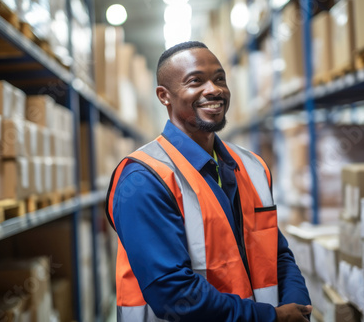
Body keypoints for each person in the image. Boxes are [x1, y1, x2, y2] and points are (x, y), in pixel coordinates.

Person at [105, 41, 312, 321]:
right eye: (196, 81)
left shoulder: (251, 167)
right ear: (164, 96)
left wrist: (297, 305)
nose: (214, 89)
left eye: (219, 79)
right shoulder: (144, 178)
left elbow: (278, 254)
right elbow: (173, 294)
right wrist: (271, 318)